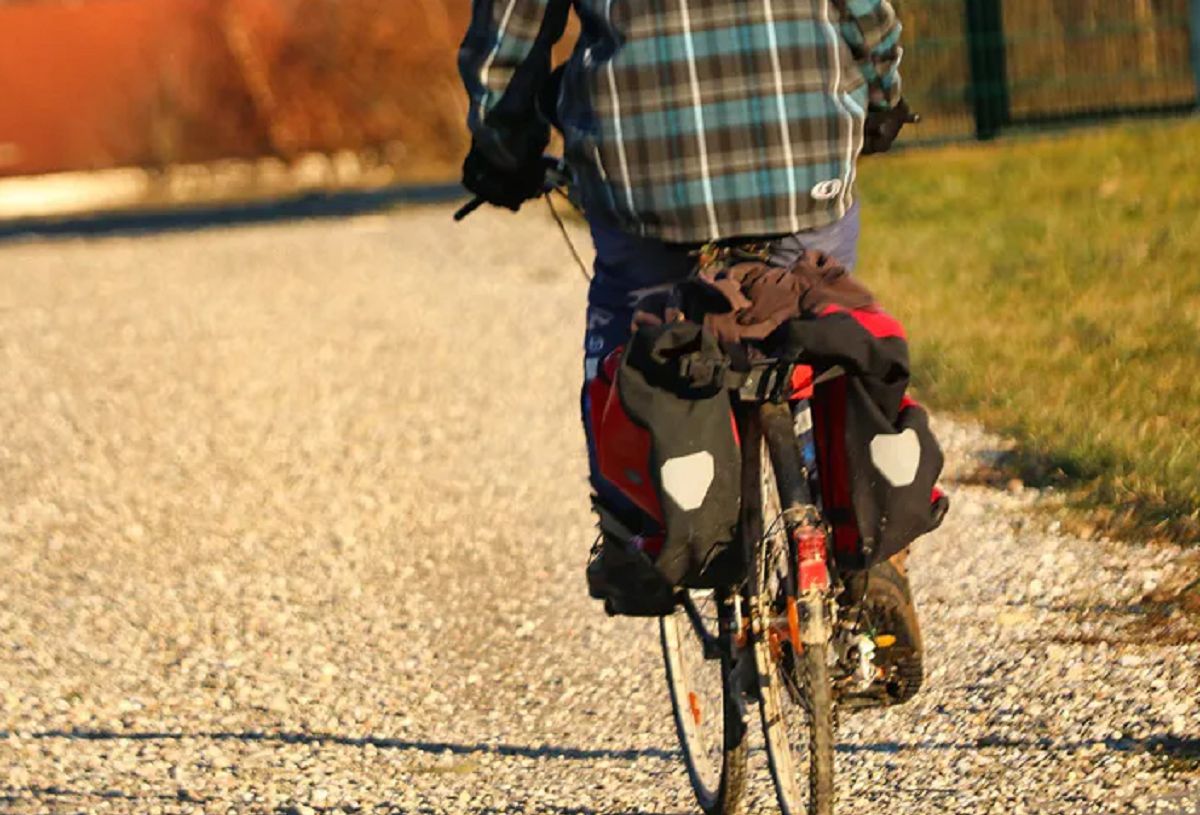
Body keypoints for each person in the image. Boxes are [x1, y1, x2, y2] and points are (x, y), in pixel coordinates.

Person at [457, 1, 922, 687]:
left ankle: (634, 528)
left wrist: (504, 145)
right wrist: (881, 96)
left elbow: (513, 30)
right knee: (817, 315)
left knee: (629, 313)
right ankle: (867, 551)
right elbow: (866, 10)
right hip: (803, 147)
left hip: (645, 167)